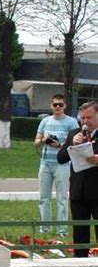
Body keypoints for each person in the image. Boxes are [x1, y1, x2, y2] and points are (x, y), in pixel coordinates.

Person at [57, 101, 98, 257]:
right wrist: (72, 145)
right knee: (80, 232)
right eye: (83, 118)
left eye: (90, 117)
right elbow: (61, 158)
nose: (85, 121)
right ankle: (80, 262)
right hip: (78, 191)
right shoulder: (74, 133)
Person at [34, 95, 79, 236]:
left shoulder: (72, 122)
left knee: (62, 198)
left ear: (65, 106)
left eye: (60, 105)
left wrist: (58, 144)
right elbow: (35, 141)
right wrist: (44, 140)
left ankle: (62, 230)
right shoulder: (45, 121)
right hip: (45, 162)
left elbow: (75, 144)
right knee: (43, 197)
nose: (57, 107)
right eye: (55, 105)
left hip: (63, 164)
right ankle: (44, 228)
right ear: (51, 105)